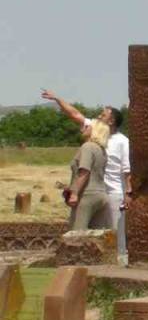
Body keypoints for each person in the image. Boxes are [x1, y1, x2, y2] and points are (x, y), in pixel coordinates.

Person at [42, 90, 132, 264]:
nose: (98, 116)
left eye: (103, 114)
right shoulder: (97, 137)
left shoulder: (119, 142)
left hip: (112, 192)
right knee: (101, 234)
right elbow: (74, 114)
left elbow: (125, 169)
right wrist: (58, 99)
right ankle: (101, 266)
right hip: (99, 191)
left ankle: (105, 265)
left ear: (111, 120)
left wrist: (128, 192)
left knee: (108, 233)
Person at [66, 121, 112, 231]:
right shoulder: (102, 150)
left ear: (95, 130)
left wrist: (75, 193)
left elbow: (84, 171)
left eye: (87, 127)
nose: (83, 128)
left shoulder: (87, 147)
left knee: (76, 234)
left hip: (87, 195)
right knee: (97, 236)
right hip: (102, 195)